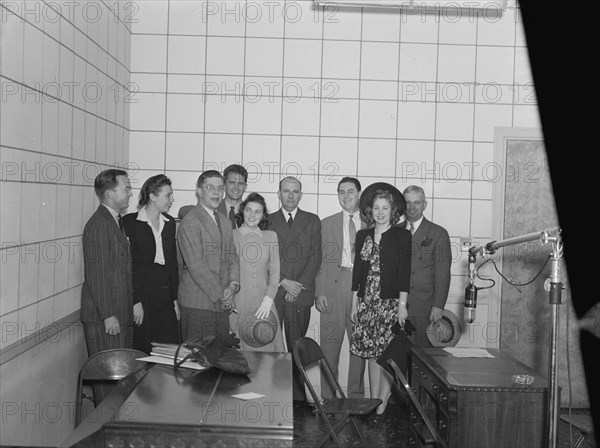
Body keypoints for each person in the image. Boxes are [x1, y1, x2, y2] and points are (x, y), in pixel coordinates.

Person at [350, 189, 411, 414]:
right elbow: (357, 274)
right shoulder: (362, 236)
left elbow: (405, 274)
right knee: (372, 355)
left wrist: (402, 307)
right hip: (366, 303)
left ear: (392, 210)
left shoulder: (402, 236)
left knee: (387, 356)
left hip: (390, 305)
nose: (380, 212)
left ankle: (382, 404)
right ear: (370, 210)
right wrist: (353, 304)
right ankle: (374, 401)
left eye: (385, 208)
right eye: (376, 208)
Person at [80, 169, 134, 402]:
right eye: (127, 188)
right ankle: (105, 433)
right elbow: (97, 274)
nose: (131, 193)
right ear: (111, 193)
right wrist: (108, 315)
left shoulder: (113, 220)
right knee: (108, 388)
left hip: (118, 313)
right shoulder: (99, 224)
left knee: (120, 382)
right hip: (107, 318)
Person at [268, 176, 322, 402]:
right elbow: (264, 258)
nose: (290, 195)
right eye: (286, 191)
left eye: (295, 191)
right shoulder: (267, 220)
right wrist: (283, 281)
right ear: (279, 194)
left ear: (300, 195)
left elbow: (315, 257)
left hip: (300, 294)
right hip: (275, 292)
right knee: (271, 344)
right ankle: (273, 396)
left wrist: (296, 286)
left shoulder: (312, 220)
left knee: (296, 346)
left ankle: (298, 399)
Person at [315, 177, 367, 399]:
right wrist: (319, 292)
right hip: (333, 290)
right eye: (341, 192)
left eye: (350, 192)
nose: (346, 196)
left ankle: (356, 398)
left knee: (359, 349)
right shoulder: (327, 223)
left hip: (362, 291)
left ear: (359, 194)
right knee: (329, 348)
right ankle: (328, 399)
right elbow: (319, 260)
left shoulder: (372, 222)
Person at [177, 170, 240, 341]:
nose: (216, 192)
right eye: (210, 187)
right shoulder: (190, 222)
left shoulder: (225, 221)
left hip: (221, 302)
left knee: (219, 358)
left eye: (220, 188)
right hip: (198, 302)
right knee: (197, 360)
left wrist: (233, 286)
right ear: (199, 191)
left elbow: (232, 257)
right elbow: (196, 266)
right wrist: (223, 295)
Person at [123, 174, 180, 354]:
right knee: (144, 348)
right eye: (168, 195)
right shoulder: (129, 222)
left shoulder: (169, 223)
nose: (172, 199)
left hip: (165, 294)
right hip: (143, 294)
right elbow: (129, 267)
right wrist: (135, 301)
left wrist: (175, 300)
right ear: (152, 196)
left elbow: (172, 265)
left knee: (169, 349)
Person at [229, 192, 285, 352]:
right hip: (238, 305)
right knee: (241, 359)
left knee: (268, 358)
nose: (252, 215)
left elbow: (275, 273)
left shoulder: (271, 237)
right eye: (248, 210)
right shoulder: (230, 236)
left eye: (257, 211)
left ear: (263, 216)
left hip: (264, 305)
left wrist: (268, 300)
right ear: (242, 212)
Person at [402, 185, 451, 347]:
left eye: (416, 203)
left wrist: (438, 306)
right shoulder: (394, 232)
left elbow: (442, 274)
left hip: (424, 308)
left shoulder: (438, 233)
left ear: (425, 205)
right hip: (396, 307)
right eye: (407, 202)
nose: (411, 207)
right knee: (396, 359)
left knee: (421, 359)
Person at [217, 164, 248, 229]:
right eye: (232, 183)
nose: (236, 187)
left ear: (245, 187)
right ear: (224, 185)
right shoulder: (213, 210)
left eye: (240, 183)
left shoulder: (251, 213)